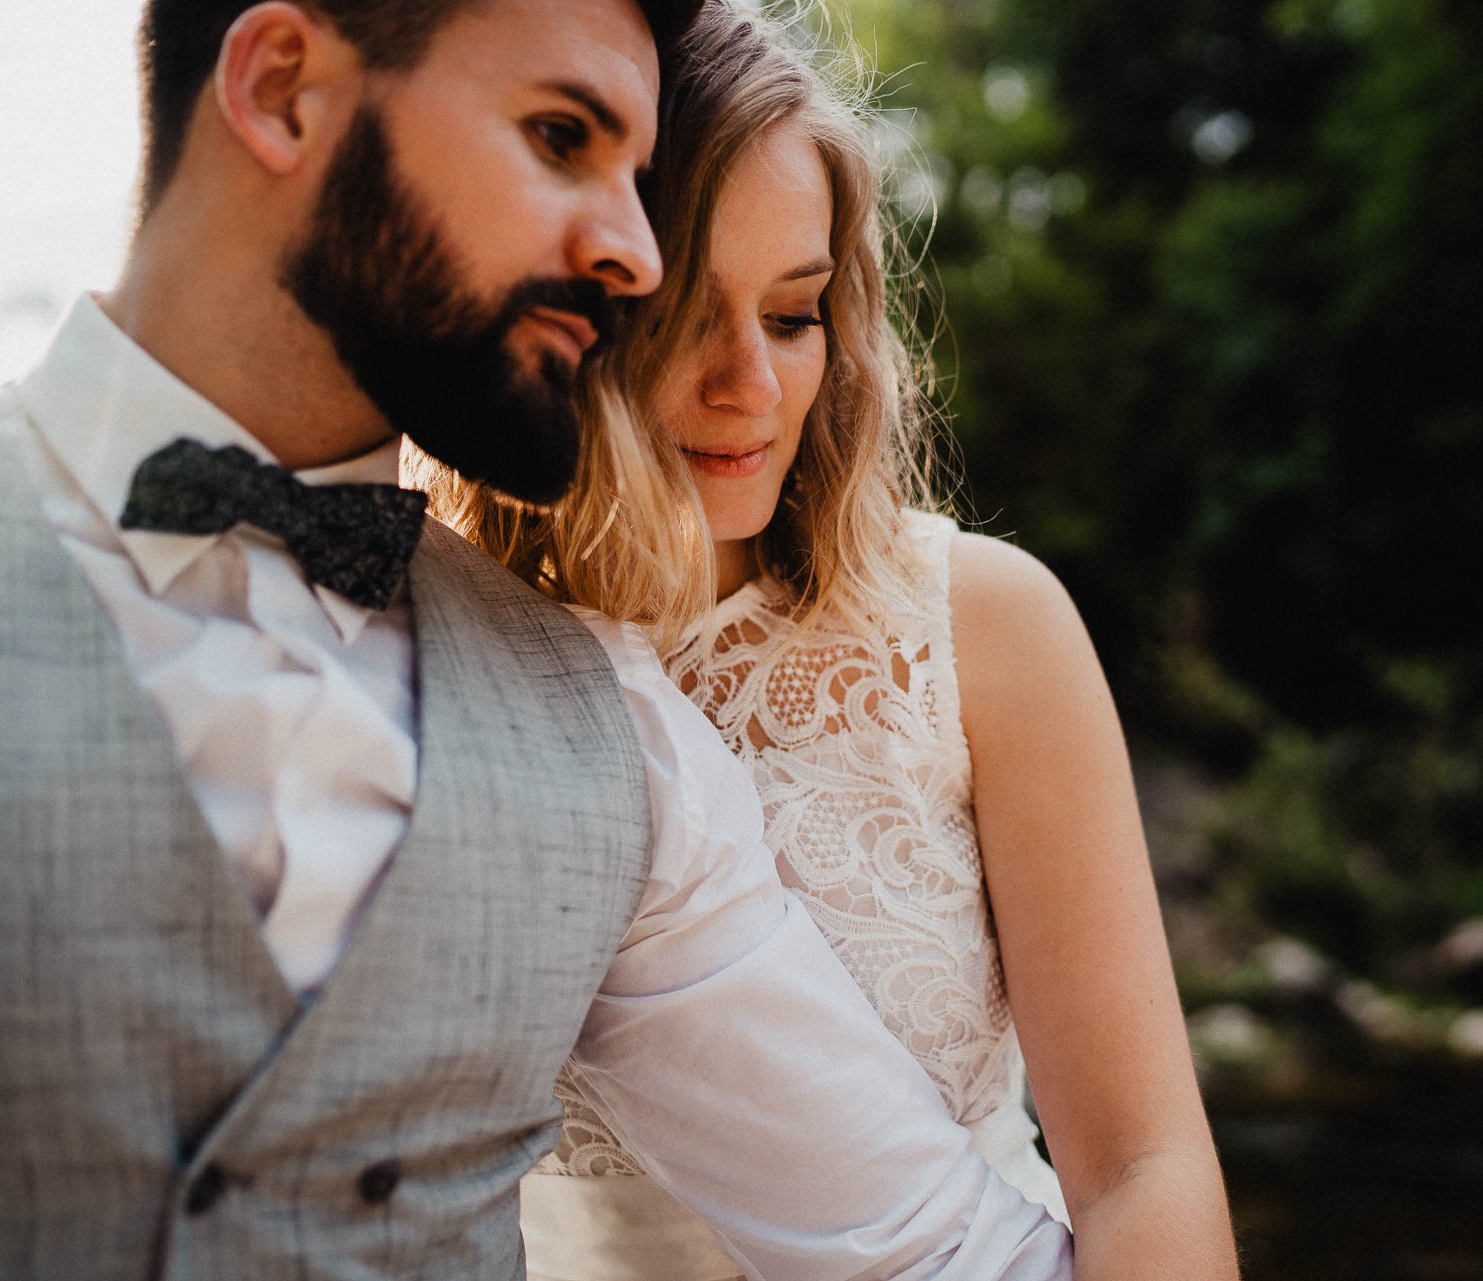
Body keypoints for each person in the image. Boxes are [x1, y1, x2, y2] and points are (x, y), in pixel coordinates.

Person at [0, 2, 1074, 1279]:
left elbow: (943, 1250)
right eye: (561, 137)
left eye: (639, 179)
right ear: (284, 90)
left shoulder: (613, 731)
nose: (633, 252)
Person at [419, 6, 1242, 1280]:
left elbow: (1145, 1166)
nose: (751, 383)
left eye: (794, 315)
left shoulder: (980, 629)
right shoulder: (423, 652)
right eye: (683, 314)